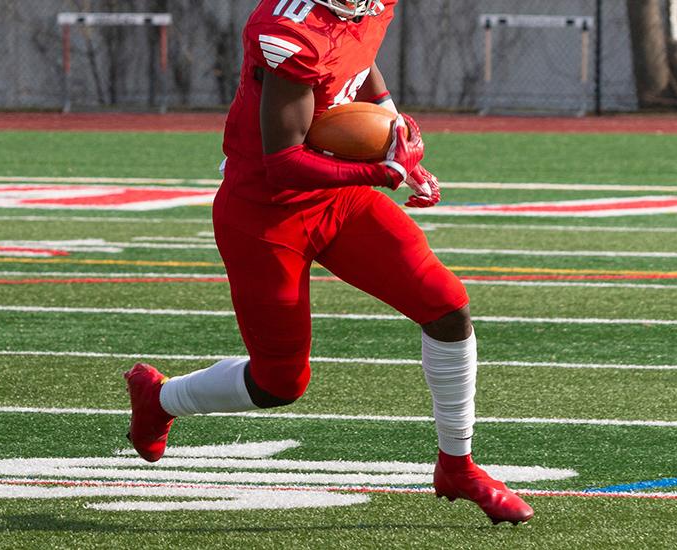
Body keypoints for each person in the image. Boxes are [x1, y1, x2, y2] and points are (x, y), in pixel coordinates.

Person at [123, 0, 534, 525]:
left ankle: (458, 464)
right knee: (280, 383)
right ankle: (160, 399)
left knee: (446, 306)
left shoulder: (370, 7)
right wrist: (382, 173)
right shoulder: (290, 32)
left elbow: (360, 65)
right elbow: (284, 162)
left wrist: (393, 128)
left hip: (336, 200)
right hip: (264, 216)